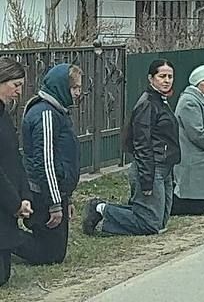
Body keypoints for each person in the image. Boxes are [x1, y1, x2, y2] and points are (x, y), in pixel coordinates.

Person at [84, 59, 181, 237]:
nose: (166, 80)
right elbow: (142, 143)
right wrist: (146, 178)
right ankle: (100, 209)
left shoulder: (161, 101)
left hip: (165, 166)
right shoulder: (147, 104)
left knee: (160, 222)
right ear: (151, 79)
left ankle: (104, 215)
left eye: (170, 76)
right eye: (162, 76)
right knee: (150, 224)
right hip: (152, 167)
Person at [17, 63, 81, 266]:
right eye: (74, 88)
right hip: (43, 193)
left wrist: (67, 198)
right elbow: (45, 162)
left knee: (56, 253)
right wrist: (55, 203)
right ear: (62, 87)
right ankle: (7, 239)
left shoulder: (57, 112)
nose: (78, 93)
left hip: (56, 192)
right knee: (49, 255)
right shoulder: (45, 114)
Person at [171, 66, 204, 216]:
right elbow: (197, 132)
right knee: (198, 207)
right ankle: (164, 204)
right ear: (197, 82)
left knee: (202, 204)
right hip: (192, 155)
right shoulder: (190, 101)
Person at [0, 57, 31, 286]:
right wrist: (14, 202)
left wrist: (24, 196)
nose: (19, 92)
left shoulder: (4, 114)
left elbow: (14, 158)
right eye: (16, 85)